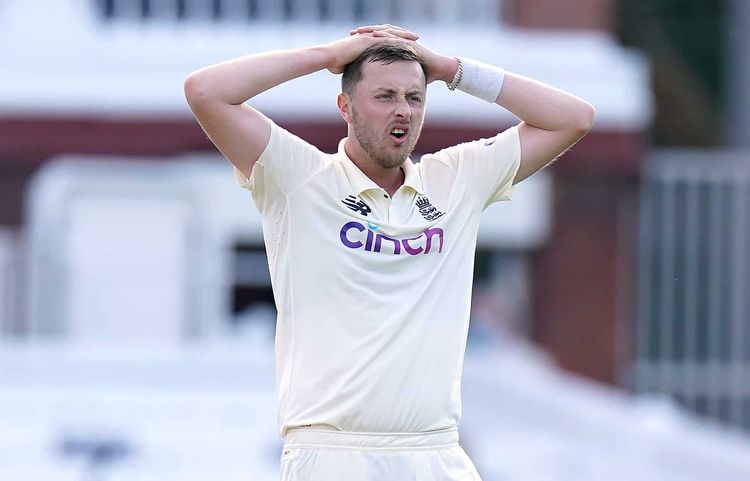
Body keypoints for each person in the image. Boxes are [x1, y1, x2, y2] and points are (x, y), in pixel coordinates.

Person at [184, 24, 594, 481]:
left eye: (414, 98)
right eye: (384, 97)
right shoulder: (298, 176)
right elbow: (205, 91)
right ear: (345, 106)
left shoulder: (457, 179)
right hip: (333, 454)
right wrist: (328, 55)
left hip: (436, 451)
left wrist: (451, 69)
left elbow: (573, 117)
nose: (402, 111)